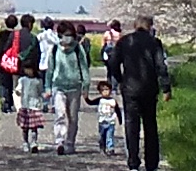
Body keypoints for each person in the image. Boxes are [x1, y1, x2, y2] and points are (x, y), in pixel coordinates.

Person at [109, 14, 173, 171]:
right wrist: (166, 87)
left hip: (130, 89)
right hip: (149, 88)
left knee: (131, 125)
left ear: (134, 25)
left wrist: (120, 80)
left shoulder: (124, 41)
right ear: (150, 27)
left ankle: (133, 163)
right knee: (150, 124)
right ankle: (151, 163)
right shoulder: (154, 43)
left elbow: (113, 63)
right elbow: (161, 65)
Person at [44, 18, 92, 153]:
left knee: (73, 117)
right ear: (59, 35)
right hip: (58, 86)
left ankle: (70, 142)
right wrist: (47, 87)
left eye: (70, 34)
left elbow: (84, 68)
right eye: (65, 34)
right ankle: (60, 141)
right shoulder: (54, 50)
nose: (68, 38)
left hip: (75, 87)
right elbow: (50, 69)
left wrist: (86, 86)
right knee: (60, 113)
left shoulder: (78, 49)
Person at [14, 58, 48, 152]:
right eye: (26, 69)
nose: (27, 71)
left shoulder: (38, 81)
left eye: (29, 69)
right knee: (25, 127)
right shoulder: (22, 80)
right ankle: (25, 142)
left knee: (34, 127)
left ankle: (34, 142)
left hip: (35, 106)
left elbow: (41, 91)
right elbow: (18, 89)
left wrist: (45, 99)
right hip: (25, 106)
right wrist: (17, 92)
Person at [0, 12, 21, 113]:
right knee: (12, 83)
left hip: (2, 62)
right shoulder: (17, 35)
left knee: (3, 83)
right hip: (14, 62)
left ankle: (4, 99)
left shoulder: (2, 34)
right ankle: (12, 103)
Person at [93, 79, 119, 155]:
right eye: (103, 90)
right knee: (102, 136)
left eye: (107, 90)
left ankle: (110, 148)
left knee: (110, 135)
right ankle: (102, 147)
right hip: (102, 122)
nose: (105, 92)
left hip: (111, 122)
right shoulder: (100, 100)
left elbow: (117, 110)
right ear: (100, 92)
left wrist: (120, 120)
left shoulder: (112, 101)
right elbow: (91, 102)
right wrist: (86, 98)